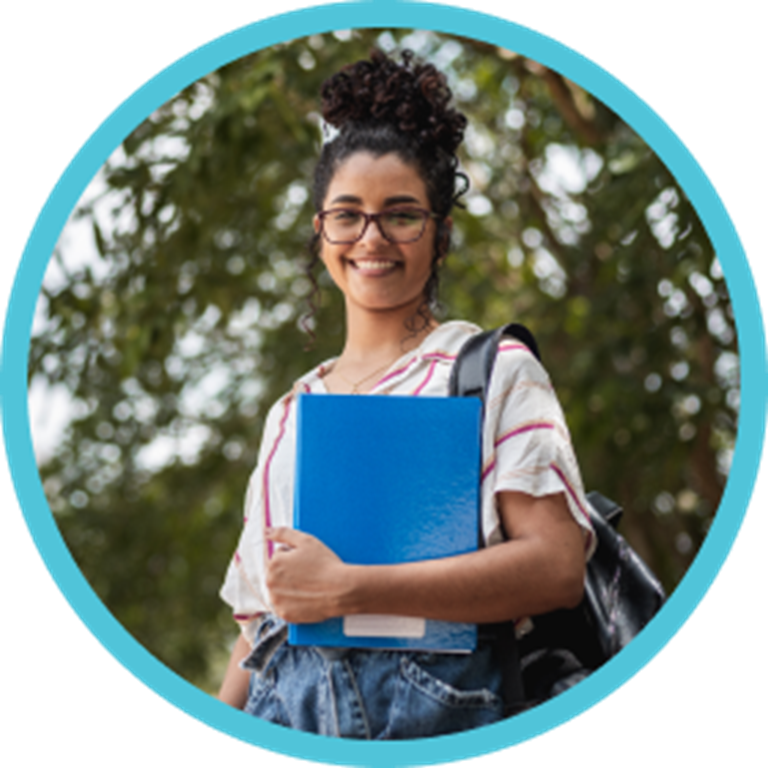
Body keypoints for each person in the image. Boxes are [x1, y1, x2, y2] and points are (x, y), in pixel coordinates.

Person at [217, 48, 595, 740]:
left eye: (401, 215)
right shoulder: (290, 412)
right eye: (348, 215)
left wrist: (354, 587)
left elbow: (556, 566)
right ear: (321, 232)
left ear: (440, 235)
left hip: (434, 714)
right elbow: (257, 627)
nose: (372, 238)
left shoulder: (489, 369)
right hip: (286, 711)